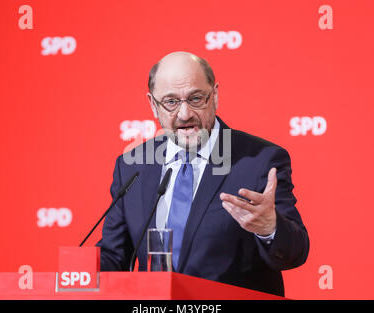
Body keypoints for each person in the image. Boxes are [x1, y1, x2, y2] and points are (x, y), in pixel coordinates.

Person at [96, 52, 309, 296]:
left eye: (196, 99)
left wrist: (270, 227)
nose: (185, 114)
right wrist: (75, 277)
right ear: (153, 104)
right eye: (171, 102)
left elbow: (295, 252)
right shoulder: (132, 167)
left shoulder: (259, 160)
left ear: (215, 95)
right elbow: (115, 256)